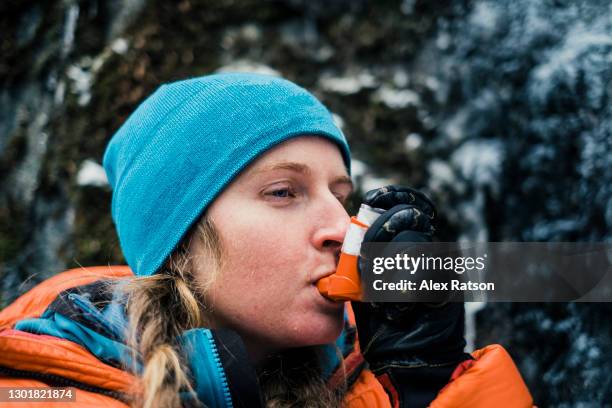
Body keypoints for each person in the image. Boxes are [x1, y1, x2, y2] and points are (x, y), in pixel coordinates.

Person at [0, 73, 533, 407]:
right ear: (180, 244)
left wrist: (429, 385)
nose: (341, 228)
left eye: (341, 196)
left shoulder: (370, 379)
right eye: (283, 192)